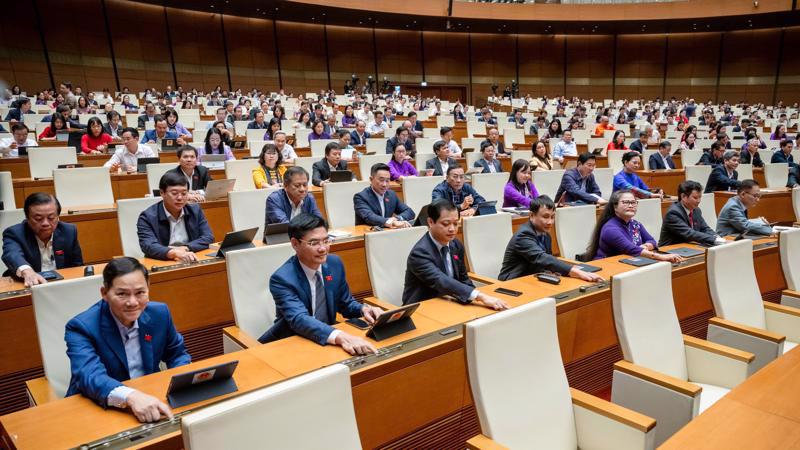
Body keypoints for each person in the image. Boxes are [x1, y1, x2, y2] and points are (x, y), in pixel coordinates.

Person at [64, 257, 190, 421]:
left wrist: (180, 384)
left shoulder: (160, 313)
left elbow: (177, 354)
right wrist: (132, 396)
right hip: (98, 405)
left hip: (150, 396)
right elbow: (90, 376)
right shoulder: (81, 327)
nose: (133, 302)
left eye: (140, 293)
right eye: (122, 294)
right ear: (104, 293)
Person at [257, 214, 383, 355]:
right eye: (314, 243)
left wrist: (363, 309)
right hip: (293, 342)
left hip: (326, 338)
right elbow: (299, 319)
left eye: (326, 240)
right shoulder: (282, 279)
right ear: (295, 244)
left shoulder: (334, 263)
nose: (323, 249)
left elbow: (345, 303)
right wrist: (342, 337)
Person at [402, 199, 509, 309]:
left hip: (451, 303)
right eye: (446, 224)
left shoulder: (455, 245)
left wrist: (476, 302)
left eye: (455, 223)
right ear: (430, 222)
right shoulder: (420, 253)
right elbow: (441, 281)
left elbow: (464, 279)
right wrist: (480, 296)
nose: (452, 229)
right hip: (422, 309)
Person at [499, 195, 604, 282]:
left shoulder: (546, 235)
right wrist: (576, 272)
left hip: (534, 279)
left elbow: (546, 262)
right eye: (545, 217)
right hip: (512, 282)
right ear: (531, 216)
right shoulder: (523, 235)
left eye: (552, 217)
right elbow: (542, 258)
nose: (550, 222)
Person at [2, 193, 83, 286]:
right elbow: (12, 254)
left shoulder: (69, 231)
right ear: (27, 218)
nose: (45, 223)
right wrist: (27, 271)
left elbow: (78, 267)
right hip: (29, 286)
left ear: (58, 217)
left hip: (62, 286)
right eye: (38, 218)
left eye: (51, 218)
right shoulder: (15, 233)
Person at [137, 171, 214, 262]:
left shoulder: (195, 210)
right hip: (164, 261)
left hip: (190, 258)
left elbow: (208, 237)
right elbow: (148, 245)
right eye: (174, 193)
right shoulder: (147, 217)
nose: (180, 198)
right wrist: (174, 252)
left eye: (184, 193)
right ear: (162, 193)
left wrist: (185, 248)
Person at [587, 190, 683, 262]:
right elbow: (631, 249)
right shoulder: (610, 228)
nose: (631, 205)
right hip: (608, 265)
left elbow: (652, 242)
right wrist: (662, 257)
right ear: (615, 207)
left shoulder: (635, 224)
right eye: (626, 202)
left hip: (630, 261)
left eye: (633, 202)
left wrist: (644, 246)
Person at [659, 180, 726, 247]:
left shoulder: (696, 210)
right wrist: (714, 240)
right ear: (683, 196)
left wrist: (717, 237)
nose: (699, 201)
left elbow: (704, 228)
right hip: (669, 251)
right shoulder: (673, 213)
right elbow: (690, 233)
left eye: (700, 197)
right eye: (695, 198)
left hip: (688, 247)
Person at [354, 163, 415, 228]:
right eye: (381, 180)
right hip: (368, 234)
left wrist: (397, 219)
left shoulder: (391, 195)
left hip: (387, 233)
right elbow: (370, 217)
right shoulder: (360, 197)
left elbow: (409, 212)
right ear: (371, 179)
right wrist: (391, 222)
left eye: (387, 181)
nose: (384, 184)